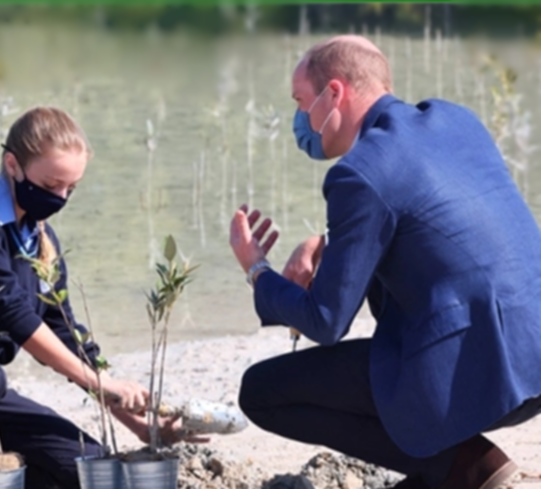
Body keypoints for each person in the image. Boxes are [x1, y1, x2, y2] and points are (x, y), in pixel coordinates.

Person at [229, 35, 541, 489]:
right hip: (531, 356)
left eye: (301, 101)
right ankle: (443, 472)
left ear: (333, 93)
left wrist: (257, 270)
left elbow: (325, 321)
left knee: (261, 392)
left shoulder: (358, 173)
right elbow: (430, 222)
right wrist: (324, 245)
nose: (302, 119)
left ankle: (467, 463)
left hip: (475, 374)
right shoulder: (455, 120)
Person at [0, 106, 197, 489]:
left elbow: (62, 328)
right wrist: (101, 384)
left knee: (88, 467)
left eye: (70, 188)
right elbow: (11, 313)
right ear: (13, 164)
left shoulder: (41, 239)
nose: (60, 197)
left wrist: (138, 423)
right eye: (50, 186)